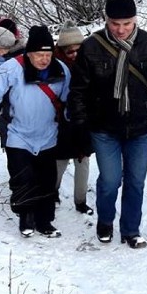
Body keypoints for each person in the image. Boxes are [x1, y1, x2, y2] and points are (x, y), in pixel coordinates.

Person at [68, 0, 147, 248]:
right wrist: (81, 128)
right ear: (106, 20)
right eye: (115, 24)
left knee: (136, 181)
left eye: (127, 23)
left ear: (135, 20)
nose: (121, 29)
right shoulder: (92, 46)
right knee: (110, 180)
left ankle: (130, 230)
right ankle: (105, 220)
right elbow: (79, 91)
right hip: (103, 127)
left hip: (138, 126)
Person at [0, 25, 70, 238]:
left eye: (48, 54)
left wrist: (75, 119)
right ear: (28, 53)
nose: (44, 59)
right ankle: (26, 217)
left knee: (46, 180)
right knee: (22, 178)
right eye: (39, 55)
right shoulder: (11, 68)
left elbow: (70, 101)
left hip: (47, 135)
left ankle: (45, 221)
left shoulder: (61, 70)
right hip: (18, 133)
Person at [53, 22, 93, 215]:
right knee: (60, 161)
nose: (75, 55)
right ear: (62, 51)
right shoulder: (55, 67)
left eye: (78, 50)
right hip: (62, 123)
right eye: (70, 52)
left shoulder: (89, 64)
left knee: (83, 162)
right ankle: (52, 193)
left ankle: (81, 201)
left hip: (84, 120)